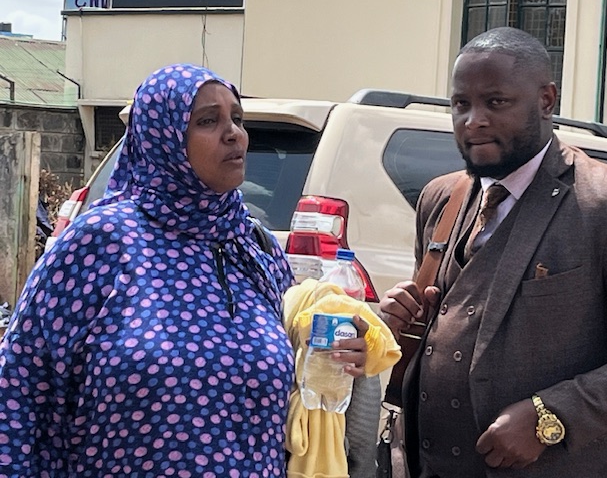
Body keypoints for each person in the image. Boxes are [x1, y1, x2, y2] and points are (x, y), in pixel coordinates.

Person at [0, 63, 369, 477]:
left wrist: (339, 355)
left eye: (237, 118)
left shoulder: (253, 247)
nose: (234, 133)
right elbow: (19, 391)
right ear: (163, 138)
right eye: (208, 121)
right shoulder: (100, 243)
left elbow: (298, 386)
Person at [380, 27, 607, 478]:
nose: (473, 120)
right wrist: (396, 320)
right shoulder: (441, 198)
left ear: (546, 100)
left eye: (495, 102)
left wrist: (551, 416)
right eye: (461, 104)